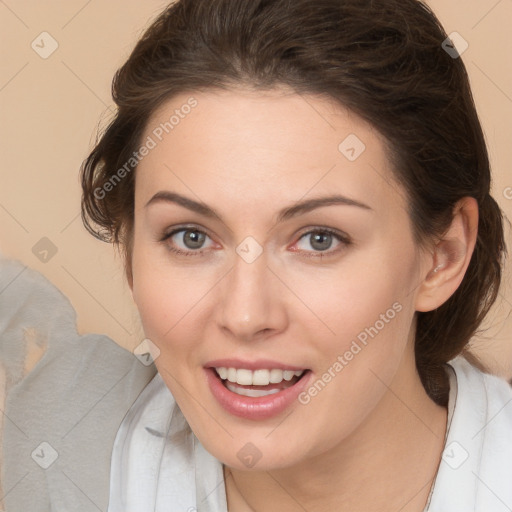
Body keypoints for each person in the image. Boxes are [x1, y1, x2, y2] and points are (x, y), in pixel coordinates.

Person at [2, 0, 511, 511]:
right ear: (129, 251)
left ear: (443, 255)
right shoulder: (56, 453)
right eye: (191, 237)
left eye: (319, 239)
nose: (245, 315)